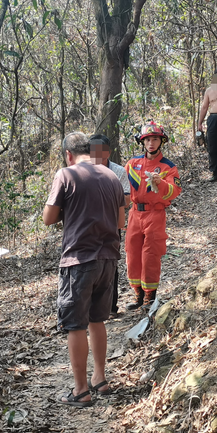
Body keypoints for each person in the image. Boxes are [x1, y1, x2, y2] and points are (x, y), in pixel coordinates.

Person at [43, 132, 126, 407]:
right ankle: (100, 378)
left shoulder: (66, 175)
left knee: (75, 324)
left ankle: (80, 390)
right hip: (108, 259)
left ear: (69, 154)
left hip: (79, 259)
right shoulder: (112, 176)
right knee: (97, 319)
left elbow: (48, 218)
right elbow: (121, 220)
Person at [124, 121, 182, 310]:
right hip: (134, 213)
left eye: (155, 139)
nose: (151, 143)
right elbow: (121, 187)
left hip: (155, 214)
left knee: (150, 254)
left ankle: (150, 295)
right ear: (142, 142)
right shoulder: (132, 164)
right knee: (132, 253)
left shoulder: (168, 167)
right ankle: (137, 294)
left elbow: (174, 190)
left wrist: (161, 184)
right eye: (148, 139)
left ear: (161, 141)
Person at [90, 134, 131, 317]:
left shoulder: (118, 171)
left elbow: (127, 199)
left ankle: (111, 307)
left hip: (111, 224)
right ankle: (90, 308)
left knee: (110, 264)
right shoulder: (81, 171)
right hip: (87, 226)